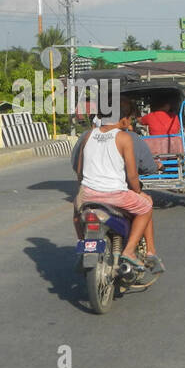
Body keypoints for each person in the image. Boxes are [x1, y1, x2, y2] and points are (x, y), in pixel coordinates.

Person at [71, 99, 164, 274]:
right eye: (130, 119)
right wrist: (138, 192)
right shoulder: (124, 137)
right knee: (146, 207)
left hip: (88, 194)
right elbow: (132, 175)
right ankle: (129, 251)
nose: (129, 123)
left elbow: (79, 171)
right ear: (123, 120)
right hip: (115, 194)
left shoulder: (88, 135)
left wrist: (83, 190)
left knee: (77, 213)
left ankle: (83, 244)